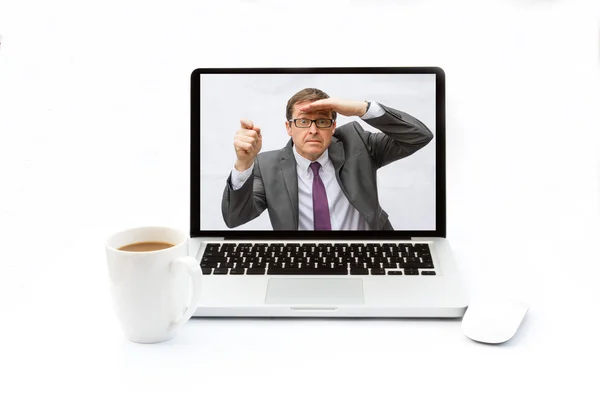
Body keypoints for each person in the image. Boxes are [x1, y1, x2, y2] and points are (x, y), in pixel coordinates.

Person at [221, 88, 433, 230]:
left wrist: (362, 109)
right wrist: (244, 163)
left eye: (322, 121)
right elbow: (234, 218)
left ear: (333, 126)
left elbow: (419, 136)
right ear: (289, 127)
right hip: (301, 261)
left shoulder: (359, 144)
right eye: (303, 121)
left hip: (368, 254)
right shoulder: (266, 166)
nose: (313, 130)